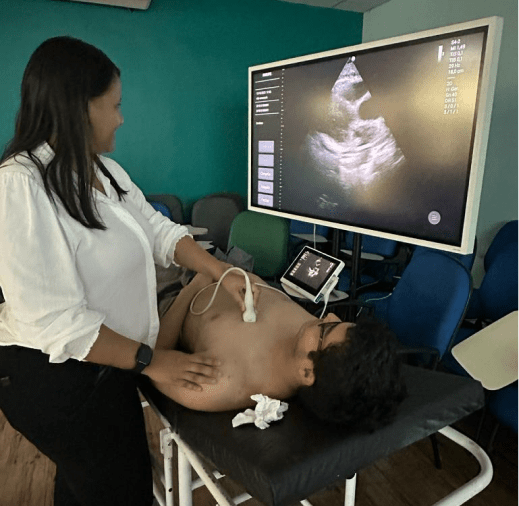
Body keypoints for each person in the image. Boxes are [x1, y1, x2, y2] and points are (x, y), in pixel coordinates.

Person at [0, 36, 256, 506]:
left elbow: (158, 230)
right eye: (113, 106)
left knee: (86, 487)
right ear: (78, 108)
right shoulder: (20, 184)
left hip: (111, 364)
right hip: (57, 381)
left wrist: (217, 270)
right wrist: (155, 360)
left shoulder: (105, 171)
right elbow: (56, 322)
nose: (121, 118)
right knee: (121, 489)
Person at [153, 270, 407, 432]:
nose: (328, 314)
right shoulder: (307, 335)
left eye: (328, 328)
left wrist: (195, 285)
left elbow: (153, 359)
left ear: (308, 372)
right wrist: (218, 269)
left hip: (167, 297)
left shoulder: (223, 382)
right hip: (218, 268)